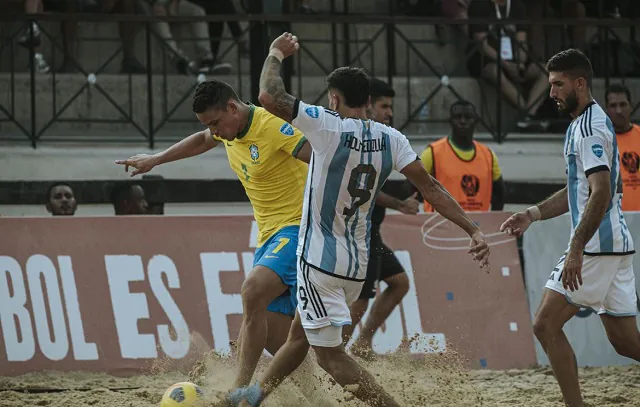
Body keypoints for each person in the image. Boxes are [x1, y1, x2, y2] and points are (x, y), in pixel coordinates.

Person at [229, 32, 491, 407]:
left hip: (318, 260)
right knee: (300, 336)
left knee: (330, 357)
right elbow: (432, 189)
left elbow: (269, 96)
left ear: (334, 99)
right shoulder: (392, 138)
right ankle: (252, 396)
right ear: (369, 100)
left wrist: (274, 53)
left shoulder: (326, 125)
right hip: (357, 263)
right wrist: (473, 229)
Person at [501, 49, 640, 407]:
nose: (551, 94)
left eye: (558, 85)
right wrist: (532, 213)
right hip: (614, 246)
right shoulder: (582, 123)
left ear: (580, 83)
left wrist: (576, 247)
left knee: (544, 325)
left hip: (596, 247)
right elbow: (577, 189)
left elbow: (601, 191)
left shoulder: (591, 126)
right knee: (626, 343)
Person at [342, 78, 420, 358]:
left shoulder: (381, 137)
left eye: (391, 106)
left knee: (399, 282)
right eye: (384, 106)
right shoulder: (360, 137)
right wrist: (401, 204)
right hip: (360, 231)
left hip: (371, 229)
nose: (390, 112)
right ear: (368, 106)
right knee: (361, 299)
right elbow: (366, 189)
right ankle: (334, 353)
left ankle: (361, 344)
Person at [466, 0, 549, 129]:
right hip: (487, 57)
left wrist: (520, 62)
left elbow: (521, 40)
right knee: (495, 73)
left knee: (548, 70)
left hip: (514, 56)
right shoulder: (479, 5)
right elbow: (483, 44)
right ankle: (527, 113)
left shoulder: (517, 6)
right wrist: (506, 65)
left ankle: (529, 115)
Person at [416, 100, 506, 212]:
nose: (463, 121)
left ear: (476, 121)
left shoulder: (488, 155)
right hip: (440, 225)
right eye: (458, 117)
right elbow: (411, 188)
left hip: (477, 225)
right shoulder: (433, 152)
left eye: (468, 117)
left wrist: (492, 222)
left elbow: (499, 194)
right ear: (450, 121)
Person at [605, 83, 640, 211]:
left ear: (631, 106)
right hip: (614, 222)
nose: (619, 111)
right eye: (613, 106)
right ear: (607, 109)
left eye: (623, 104)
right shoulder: (602, 142)